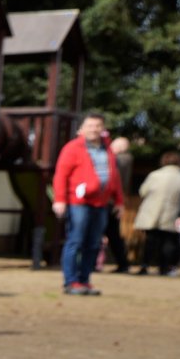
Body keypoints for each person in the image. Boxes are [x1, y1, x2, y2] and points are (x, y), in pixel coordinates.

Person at [51, 112, 120, 296]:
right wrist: (60, 199)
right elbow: (61, 175)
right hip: (78, 202)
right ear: (82, 129)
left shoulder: (108, 150)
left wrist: (119, 200)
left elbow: (115, 176)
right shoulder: (72, 148)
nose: (94, 129)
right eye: (90, 125)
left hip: (101, 203)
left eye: (98, 126)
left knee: (94, 243)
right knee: (76, 240)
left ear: (103, 129)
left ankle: (84, 280)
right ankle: (71, 281)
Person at [133, 150, 180, 278]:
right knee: (169, 242)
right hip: (172, 213)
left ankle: (144, 266)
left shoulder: (155, 175)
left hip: (152, 212)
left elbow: (143, 191)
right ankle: (164, 268)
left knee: (150, 241)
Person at [102, 135, 134, 274]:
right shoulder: (125, 160)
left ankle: (122, 263)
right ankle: (123, 263)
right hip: (114, 200)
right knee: (113, 233)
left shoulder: (120, 160)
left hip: (110, 201)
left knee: (111, 233)